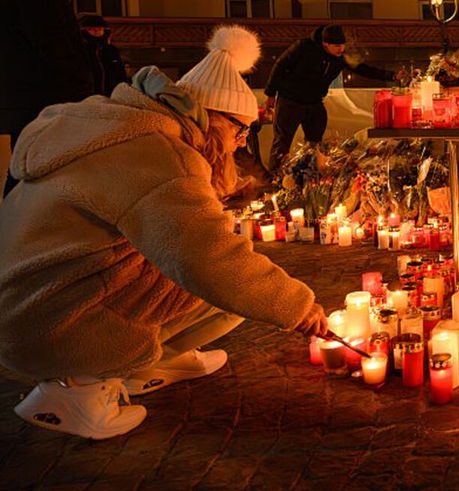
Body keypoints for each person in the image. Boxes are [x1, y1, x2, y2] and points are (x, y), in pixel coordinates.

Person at [0, 26, 327, 439]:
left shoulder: (123, 128)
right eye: (239, 130)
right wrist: (298, 307)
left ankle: (152, 364)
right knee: (232, 280)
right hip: (49, 324)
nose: (239, 143)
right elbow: (207, 258)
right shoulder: (159, 154)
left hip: (26, 304)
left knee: (233, 280)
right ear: (212, 119)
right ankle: (78, 392)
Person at [1, 0, 96, 196]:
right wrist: (81, 89)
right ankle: (20, 219)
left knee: (26, 164)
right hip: (43, 97)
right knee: (37, 169)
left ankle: (16, 216)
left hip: (20, 95)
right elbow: (52, 40)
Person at [265, 24, 399, 169]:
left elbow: (363, 69)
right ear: (325, 44)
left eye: (342, 45)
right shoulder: (303, 47)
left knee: (315, 142)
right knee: (282, 141)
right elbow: (280, 66)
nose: (341, 49)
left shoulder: (341, 57)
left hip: (315, 101)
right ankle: (275, 175)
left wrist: (392, 76)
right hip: (290, 100)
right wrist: (270, 93)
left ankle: (310, 172)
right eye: (336, 46)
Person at [78, 13, 128, 97]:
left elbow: (120, 73)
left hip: (111, 95)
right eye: (91, 29)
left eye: (100, 28)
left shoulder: (111, 50)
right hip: (87, 96)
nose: (97, 31)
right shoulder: (80, 50)